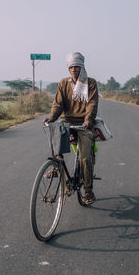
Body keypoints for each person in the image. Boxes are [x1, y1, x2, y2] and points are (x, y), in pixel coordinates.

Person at [43, 52, 99, 205]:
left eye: (77, 66)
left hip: (84, 124)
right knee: (55, 134)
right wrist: (52, 117)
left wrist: (88, 120)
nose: (74, 69)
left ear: (82, 67)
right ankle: (57, 165)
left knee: (85, 158)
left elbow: (92, 105)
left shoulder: (91, 83)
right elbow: (58, 104)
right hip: (67, 122)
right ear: (68, 69)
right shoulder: (63, 83)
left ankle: (88, 190)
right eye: (71, 67)